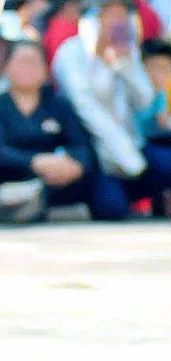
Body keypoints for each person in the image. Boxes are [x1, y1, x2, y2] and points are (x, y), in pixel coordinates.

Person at [0, 40, 128, 222]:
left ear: (45, 70)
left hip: (59, 177)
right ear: (7, 67)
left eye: (34, 62)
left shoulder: (59, 105)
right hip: (13, 178)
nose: (27, 68)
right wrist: (35, 162)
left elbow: (82, 144)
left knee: (111, 203)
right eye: (22, 62)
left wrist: (76, 165)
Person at [53, 0, 170, 212]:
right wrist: (126, 156)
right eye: (111, 16)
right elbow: (86, 109)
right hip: (96, 151)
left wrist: (125, 66)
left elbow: (144, 101)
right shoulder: (71, 53)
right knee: (111, 208)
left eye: (122, 16)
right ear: (93, 19)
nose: (117, 22)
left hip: (132, 144)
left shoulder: (127, 52)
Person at [140, 38, 171, 142]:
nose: (158, 76)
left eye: (164, 69)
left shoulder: (161, 94)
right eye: (153, 68)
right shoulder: (135, 93)